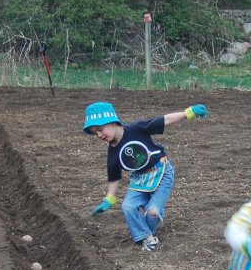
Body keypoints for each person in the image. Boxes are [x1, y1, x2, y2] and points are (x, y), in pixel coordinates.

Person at [83, 101, 208, 251]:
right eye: (95, 133)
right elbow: (114, 177)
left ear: (113, 122)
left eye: (100, 129)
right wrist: (109, 199)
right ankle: (147, 237)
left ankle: (145, 231)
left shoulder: (136, 129)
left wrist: (188, 113)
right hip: (140, 179)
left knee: (153, 212)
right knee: (128, 206)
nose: (99, 135)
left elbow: (165, 120)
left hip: (161, 173)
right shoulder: (113, 153)